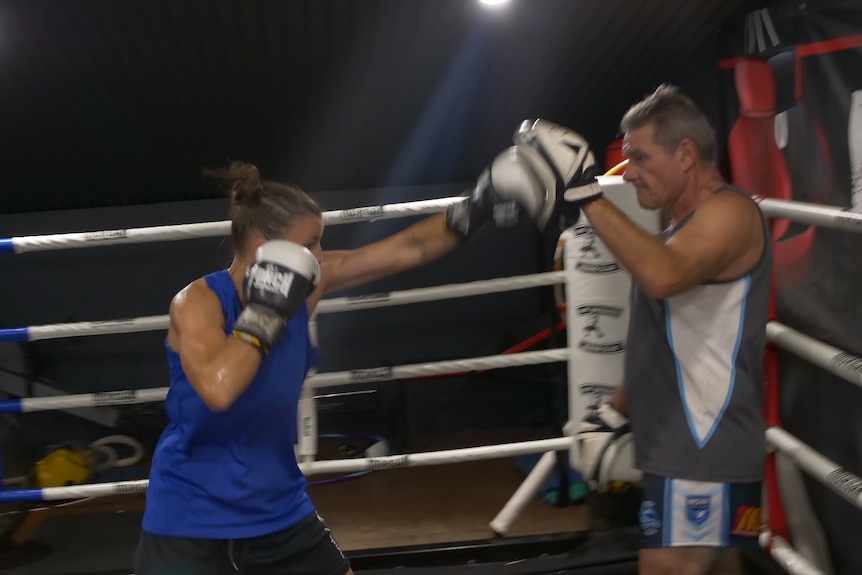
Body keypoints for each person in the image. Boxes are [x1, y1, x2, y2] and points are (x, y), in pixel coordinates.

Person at [132, 153, 575, 575]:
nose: (320, 257)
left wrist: (478, 207)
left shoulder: (307, 284)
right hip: (190, 513)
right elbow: (218, 389)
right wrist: (267, 311)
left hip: (275, 503)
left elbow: (408, 248)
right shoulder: (198, 303)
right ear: (268, 250)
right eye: (309, 245)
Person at [552, 85, 772, 575]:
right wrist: (613, 412)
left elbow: (662, 275)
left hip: (701, 447)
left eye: (639, 157)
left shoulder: (729, 214)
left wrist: (585, 192)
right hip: (687, 451)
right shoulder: (681, 228)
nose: (628, 173)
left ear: (686, 154)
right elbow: (668, 342)